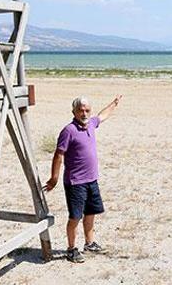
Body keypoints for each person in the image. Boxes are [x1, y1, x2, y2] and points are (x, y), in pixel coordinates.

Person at [44, 94, 122, 263]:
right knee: (75, 217)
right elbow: (58, 155)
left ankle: (89, 243)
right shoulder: (68, 131)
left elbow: (102, 116)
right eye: (81, 110)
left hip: (91, 180)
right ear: (74, 112)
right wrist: (54, 178)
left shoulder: (91, 124)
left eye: (87, 110)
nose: (84, 114)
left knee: (91, 213)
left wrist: (114, 104)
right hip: (75, 182)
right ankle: (71, 249)